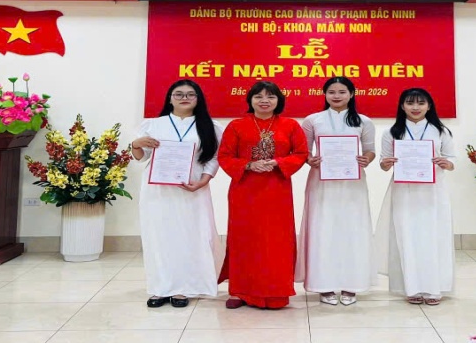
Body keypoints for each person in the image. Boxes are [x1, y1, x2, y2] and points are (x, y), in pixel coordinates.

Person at [129, 80, 223, 308]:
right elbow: (141, 157)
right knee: (159, 238)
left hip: (193, 189)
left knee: (191, 237)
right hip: (158, 191)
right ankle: (160, 288)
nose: (184, 98)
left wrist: (204, 180)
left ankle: (184, 288)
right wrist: (136, 144)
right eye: (178, 94)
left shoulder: (211, 126)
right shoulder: (153, 125)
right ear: (170, 98)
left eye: (190, 94)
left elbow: (214, 157)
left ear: (198, 99)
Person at [217, 81, 309, 309]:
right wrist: (248, 165)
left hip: (277, 190)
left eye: (271, 96)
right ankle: (240, 291)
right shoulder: (236, 126)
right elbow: (225, 156)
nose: (264, 101)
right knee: (244, 239)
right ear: (250, 100)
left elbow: (301, 153)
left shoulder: (290, 125)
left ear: (279, 100)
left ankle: (276, 291)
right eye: (259, 96)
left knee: (276, 242)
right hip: (245, 191)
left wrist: (278, 162)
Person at [295, 76, 377, 306]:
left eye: (342, 92)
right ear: (325, 94)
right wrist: (310, 160)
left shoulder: (363, 121)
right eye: (332, 92)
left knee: (353, 229)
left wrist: (366, 159)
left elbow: (370, 150)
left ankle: (352, 284)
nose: (337, 96)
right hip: (321, 182)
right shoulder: (313, 120)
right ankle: (324, 285)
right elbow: (303, 151)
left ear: (351, 94)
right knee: (322, 229)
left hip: (352, 183)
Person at [375, 87, 456, 306]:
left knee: (434, 236)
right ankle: (410, 287)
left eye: (421, 103)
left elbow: (451, 160)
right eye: (410, 103)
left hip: (433, 191)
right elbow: (383, 163)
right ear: (402, 106)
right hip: (404, 191)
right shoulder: (391, 132)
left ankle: (434, 288)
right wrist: (386, 163)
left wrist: (446, 163)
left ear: (429, 106)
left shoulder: (441, 131)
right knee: (407, 236)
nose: (415, 107)